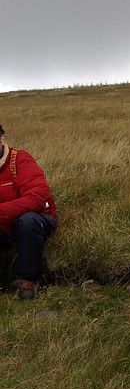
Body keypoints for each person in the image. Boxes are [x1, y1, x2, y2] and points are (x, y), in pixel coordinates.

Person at [0, 125, 58, 299]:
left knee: (27, 221)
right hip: (4, 227)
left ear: (3, 139)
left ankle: (27, 281)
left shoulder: (20, 160)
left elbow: (37, 198)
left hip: (39, 219)